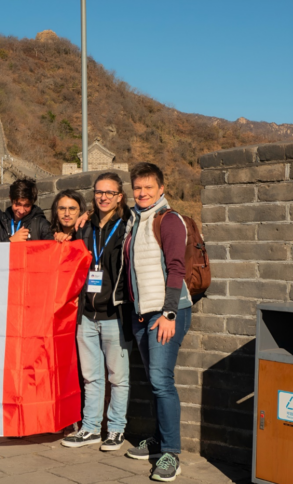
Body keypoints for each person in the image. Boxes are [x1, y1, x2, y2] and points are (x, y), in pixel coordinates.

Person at [123, 162, 192, 482]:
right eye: (137, 188)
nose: (142, 193)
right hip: (142, 314)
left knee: (162, 381)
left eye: (149, 187)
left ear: (161, 189)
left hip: (166, 312)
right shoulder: (134, 222)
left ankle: (171, 453)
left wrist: (169, 314)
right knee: (154, 381)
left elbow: (176, 269)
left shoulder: (169, 219)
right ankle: (158, 440)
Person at [60, 173, 133, 452]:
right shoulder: (85, 226)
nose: (103, 196)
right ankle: (90, 427)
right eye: (99, 192)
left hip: (115, 314)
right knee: (91, 376)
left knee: (118, 377)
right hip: (86, 315)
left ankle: (115, 429)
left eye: (109, 192)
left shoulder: (127, 225)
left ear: (119, 197)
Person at [0, 178, 53, 242]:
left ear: (33, 202)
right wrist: (10, 241)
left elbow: (52, 249)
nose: (21, 211)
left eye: (27, 206)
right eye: (17, 204)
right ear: (10, 198)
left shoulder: (41, 224)